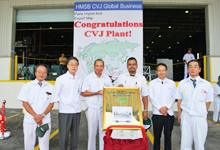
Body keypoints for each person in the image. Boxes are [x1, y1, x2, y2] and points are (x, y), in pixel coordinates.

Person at [175, 60, 213, 150]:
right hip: (186, 115)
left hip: (200, 116)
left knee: (200, 143)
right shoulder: (182, 83)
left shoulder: (206, 84)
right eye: (190, 66)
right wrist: (180, 114)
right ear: (187, 69)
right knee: (185, 143)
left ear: (199, 69)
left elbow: (208, 101)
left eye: (195, 66)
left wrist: (202, 111)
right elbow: (179, 100)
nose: (193, 69)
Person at [17, 64, 57, 150]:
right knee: (28, 144)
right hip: (30, 119)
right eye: (39, 72)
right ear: (35, 73)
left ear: (46, 74)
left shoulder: (50, 87)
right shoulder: (27, 86)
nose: (41, 74)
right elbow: (25, 103)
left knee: (44, 145)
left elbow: (51, 104)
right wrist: (35, 116)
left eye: (44, 72)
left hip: (44, 120)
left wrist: (42, 116)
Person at [113, 57, 148, 139]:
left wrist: (145, 110)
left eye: (133, 64)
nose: (132, 66)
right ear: (127, 66)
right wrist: (118, 88)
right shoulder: (121, 77)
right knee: (122, 134)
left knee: (135, 134)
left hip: (136, 110)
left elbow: (145, 95)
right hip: (122, 110)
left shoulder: (141, 78)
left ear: (137, 65)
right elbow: (114, 94)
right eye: (130, 64)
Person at [81, 59, 112, 150]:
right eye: (97, 66)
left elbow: (110, 91)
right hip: (92, 109)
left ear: (103, 67)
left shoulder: (106, 78)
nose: (99, 68)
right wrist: (95, 93)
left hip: (103, 109)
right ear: (94, 66)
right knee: (92, 133)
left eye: (101, 66)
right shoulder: (88, 78)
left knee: (103, 133)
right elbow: (84, 93)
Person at [54, 57, 82, 150]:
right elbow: (55, 95)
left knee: (75, 136)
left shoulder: (79, 79)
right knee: (64, 136)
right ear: (67, 66)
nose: (73, 66)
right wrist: (65, 103)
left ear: (78, 66)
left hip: (77, 111)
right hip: (65, 111)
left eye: (75, 64)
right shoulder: (61, 79)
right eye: (71, 64)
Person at [149, 63, 176, 150]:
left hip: (169, 114)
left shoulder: (171, 83)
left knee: (168, 136)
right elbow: (151, 97)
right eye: (159, 70)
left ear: (166, 71)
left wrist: (166, 108)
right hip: (157, 114)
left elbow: (174, 97)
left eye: (163, 70)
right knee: (157, 136)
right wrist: (160, 108)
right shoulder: (152, 83)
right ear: (156, 72)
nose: (161, 72)